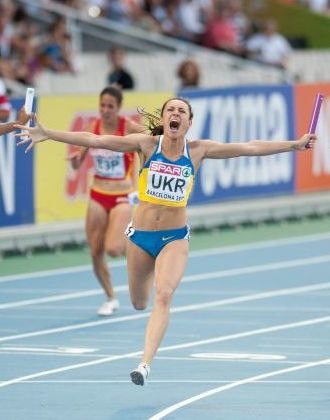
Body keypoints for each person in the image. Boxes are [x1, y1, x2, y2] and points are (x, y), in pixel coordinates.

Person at [16, 97, 316, 386]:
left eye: (181, 111)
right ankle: (141, 297)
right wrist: (48, 133)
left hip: (174, 237)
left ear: (188, 122)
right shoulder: (146, 145)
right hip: (141, 237)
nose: (175, 114)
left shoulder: (198, 150)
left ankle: (144, 364)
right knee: (139, 302)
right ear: (164, 119)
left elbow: (249, 147)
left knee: (164, 295)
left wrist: (294, 144)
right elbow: (95, 140)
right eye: (170, 110)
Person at [68, 85, 144, 316]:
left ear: (119, 108)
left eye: (110, 106)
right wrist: (73, 159)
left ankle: (142, 254)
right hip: (98, 194)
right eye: (102, 105)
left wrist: (138, 180)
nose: (105, 110)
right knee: (95, 251)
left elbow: (149, 147)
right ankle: (111, 297)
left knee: (113, 248)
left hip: (122, 195)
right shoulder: (93, 128)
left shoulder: (129, 128)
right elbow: (77, 162)